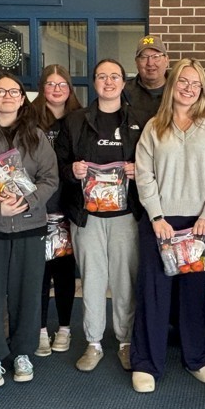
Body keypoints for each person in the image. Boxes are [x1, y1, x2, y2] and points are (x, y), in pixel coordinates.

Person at [132, 58, 205, 393]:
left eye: (196, 83)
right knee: (154, 293)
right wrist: (156, 215)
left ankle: (196, 358)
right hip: (160, 223)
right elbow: (144, 175)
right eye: (183, 82)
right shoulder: (153, 127)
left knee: (194, 293)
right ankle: (147, 361)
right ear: (172, 84)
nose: (189, 89)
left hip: (200, 224)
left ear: (202, 88)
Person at [0, 72, 59, 389]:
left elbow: (50, 179)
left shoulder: (36, 136)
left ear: (23, 98)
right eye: (0, 91)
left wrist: (27, 201)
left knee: (28, 295)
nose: (7, 95)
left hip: (29, 226)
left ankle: (22, 353)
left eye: (14, 91)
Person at [55, 59, 143, 373]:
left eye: (114, 76)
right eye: (102, 76)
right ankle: (93, 343)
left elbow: (154, 163)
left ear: (124, 82)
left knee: (124, 281)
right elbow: (58, 164)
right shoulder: (75, 120)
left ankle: (125, 341)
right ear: (94, 82)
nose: (108, 82)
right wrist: (72, 170)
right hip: (87, 215)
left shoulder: (139, 120)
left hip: (125, 214)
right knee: (92, 280)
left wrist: (140, 170)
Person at [31, 64, 83, 358]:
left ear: (70, 88)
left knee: (64, 272)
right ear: (42, 87)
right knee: (39, 272)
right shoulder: (29, 118)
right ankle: (39, 330)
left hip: (69, 207)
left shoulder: (80, 118)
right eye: (50, 84)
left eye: (62, 84)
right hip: (38, 207)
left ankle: (64, 327)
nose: (56, 89)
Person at [125, 34, 170, 125]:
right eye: (144, 57)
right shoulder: (124, 92)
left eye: (156, 57)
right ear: (136, 62)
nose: (150, 63)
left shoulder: (178, 90)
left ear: (166, 60)